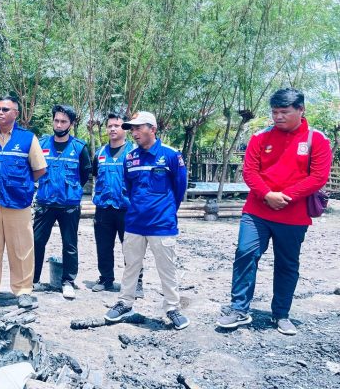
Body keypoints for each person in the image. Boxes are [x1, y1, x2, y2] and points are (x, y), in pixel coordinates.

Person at [216, 88, 332, 335]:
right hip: (257, 211)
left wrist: (286, 197)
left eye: (284, 112)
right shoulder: (260, 137)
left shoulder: (317, 139)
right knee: (245, 253)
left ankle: (281, 314)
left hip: (293, 215)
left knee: (287, 264)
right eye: (274, 112)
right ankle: (239, 309)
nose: (278, 117)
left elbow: (319, 176)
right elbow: (249, 172)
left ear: (301, 110)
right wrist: (268, 194)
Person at [103, 111, 190, 330]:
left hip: (162, 225)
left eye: (138, 128)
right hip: (134, 223)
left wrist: (166, 210)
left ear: (152, 129)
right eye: (131, 129)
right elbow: (129, 188)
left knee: (167, 268)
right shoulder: (130, 158)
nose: (133, 133)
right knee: (131, 265)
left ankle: (172, 308)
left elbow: (180, 189)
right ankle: (124, 303)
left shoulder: (170, 155)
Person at [0, 95, 47, 309]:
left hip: (18, 204)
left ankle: (23, 291)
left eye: (5, 109)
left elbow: (40, 169)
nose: (0, 113)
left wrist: (21, 184)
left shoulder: (28, 139)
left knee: (22, 249)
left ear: (16, 113)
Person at [33, 105, 91, 299]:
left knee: (70, 244)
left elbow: (85, 174)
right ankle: (33, 281)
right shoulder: (41, 144)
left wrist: (71, 190)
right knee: (37, 242)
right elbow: (33, 168)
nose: (59, 124)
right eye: (56, 120)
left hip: (69, 205)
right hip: (45, 203)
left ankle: (68, 282)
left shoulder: (79, 148)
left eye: (64, 121)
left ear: (71, 124)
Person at [91, 114, 144, 296]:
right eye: (110, 126)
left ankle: (136, 282)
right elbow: (95, 175)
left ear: (125, 129)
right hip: (104, 208)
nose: (113, 129)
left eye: (117, 126)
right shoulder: (99, 153)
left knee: (131, 248)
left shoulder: (134, 153)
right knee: (103, 246)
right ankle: (106, 278)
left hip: (127, 209)